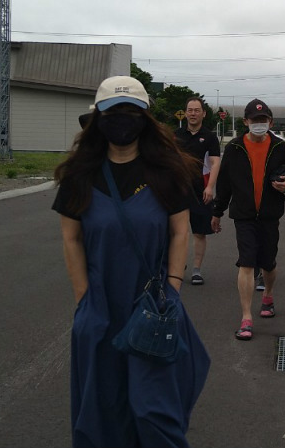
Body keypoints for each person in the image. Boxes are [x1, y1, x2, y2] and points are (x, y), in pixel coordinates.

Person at [53, 75, 209, 447]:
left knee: (154, 409)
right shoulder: (80, 175)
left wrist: (173, 289)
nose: (122, 120)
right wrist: (84, 299)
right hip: (100, 307)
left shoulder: (167, 171)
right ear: (98, 118)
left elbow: (180, 232)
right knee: (101, 406)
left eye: (131, 112)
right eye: (113, 112)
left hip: (152, 305)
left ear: (145, 118)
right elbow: (71, 238)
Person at [211, 99, 285, 341]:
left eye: (263, 120)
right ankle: (246, 317)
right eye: (255, 120)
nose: (259, 124)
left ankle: (268, 295)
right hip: (244, 215)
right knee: (247, 262)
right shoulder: (235, 148)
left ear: (270, 122)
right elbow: (225, 184)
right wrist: (217, 212)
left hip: (270, 214)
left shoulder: (279, 146)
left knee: (268, 263)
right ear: (246, 122)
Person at [174, 97, 222, 286]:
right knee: (176, 231)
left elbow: (215, 162)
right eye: (190, 110)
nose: (193, 113)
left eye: (196, 110)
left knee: (199, 233)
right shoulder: (176, 135)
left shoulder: (209, 137)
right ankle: (177, 265)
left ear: (203, 113)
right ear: (185, 113)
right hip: (178, 190)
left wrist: (210, 187)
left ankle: (196, 270)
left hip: (201, 191)